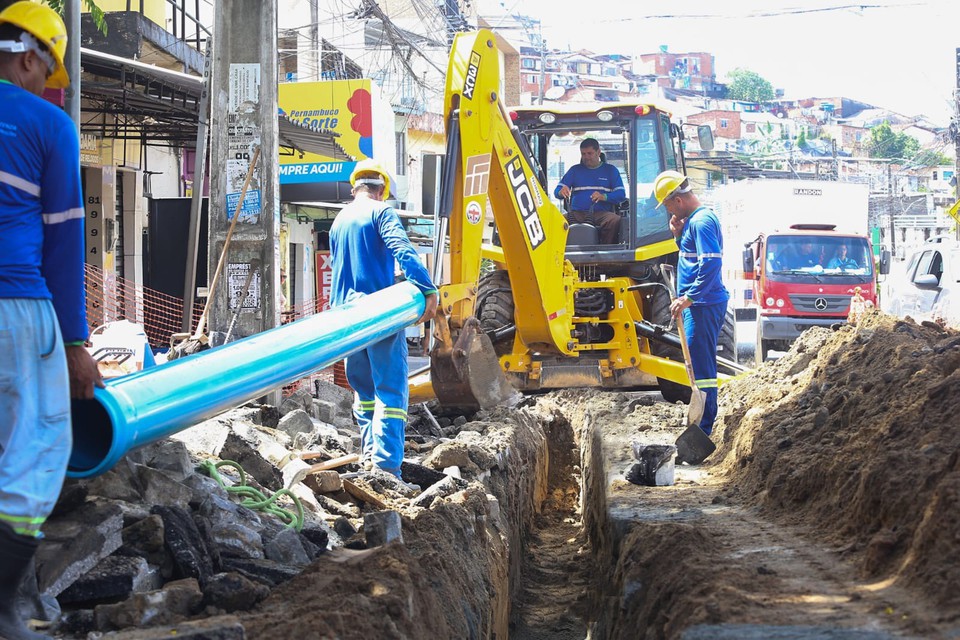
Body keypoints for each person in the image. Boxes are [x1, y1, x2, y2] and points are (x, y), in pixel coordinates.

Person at [0, 3, 103, 638]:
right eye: (49, 70)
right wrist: (74, 343)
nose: (48, 83)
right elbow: (63, 241)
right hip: (17, 305)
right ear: (31, 56)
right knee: (37, 449)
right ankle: (3, 606)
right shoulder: (47, 123)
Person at [329, 159, 438, 480]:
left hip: (345, 319)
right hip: (378, 313)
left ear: (355, 188)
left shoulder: (339, 219)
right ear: (382, 191)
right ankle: (388, 467)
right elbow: (403, 251)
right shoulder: (381, 213)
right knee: (389, 393)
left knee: (363, 393)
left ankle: (368, 457)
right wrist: (427, 289)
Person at [653, 170, 729, 438]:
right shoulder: (694, 223)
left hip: (703, 305)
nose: (667, 210)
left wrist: (690, 297)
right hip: (699, 304)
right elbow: (694, 259)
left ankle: (703, 430)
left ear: (678, 201)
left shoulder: (702, 222)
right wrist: (677, 236)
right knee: (698, 366)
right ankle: (701, 426)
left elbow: (710, 263)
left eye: (667, 205)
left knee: (703, 371)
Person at [554, 138, 626, 244]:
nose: (586, 157)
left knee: (614, 220)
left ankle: (605, 250)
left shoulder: (610, 170)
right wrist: (561, 192)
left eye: (590, 153)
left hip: (600, 214)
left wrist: (603, 197)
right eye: (583, 154)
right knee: (554, 221)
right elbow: (557, 191)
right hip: (576, 214)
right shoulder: (574, 170)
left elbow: (621, 194)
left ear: (598, 152)